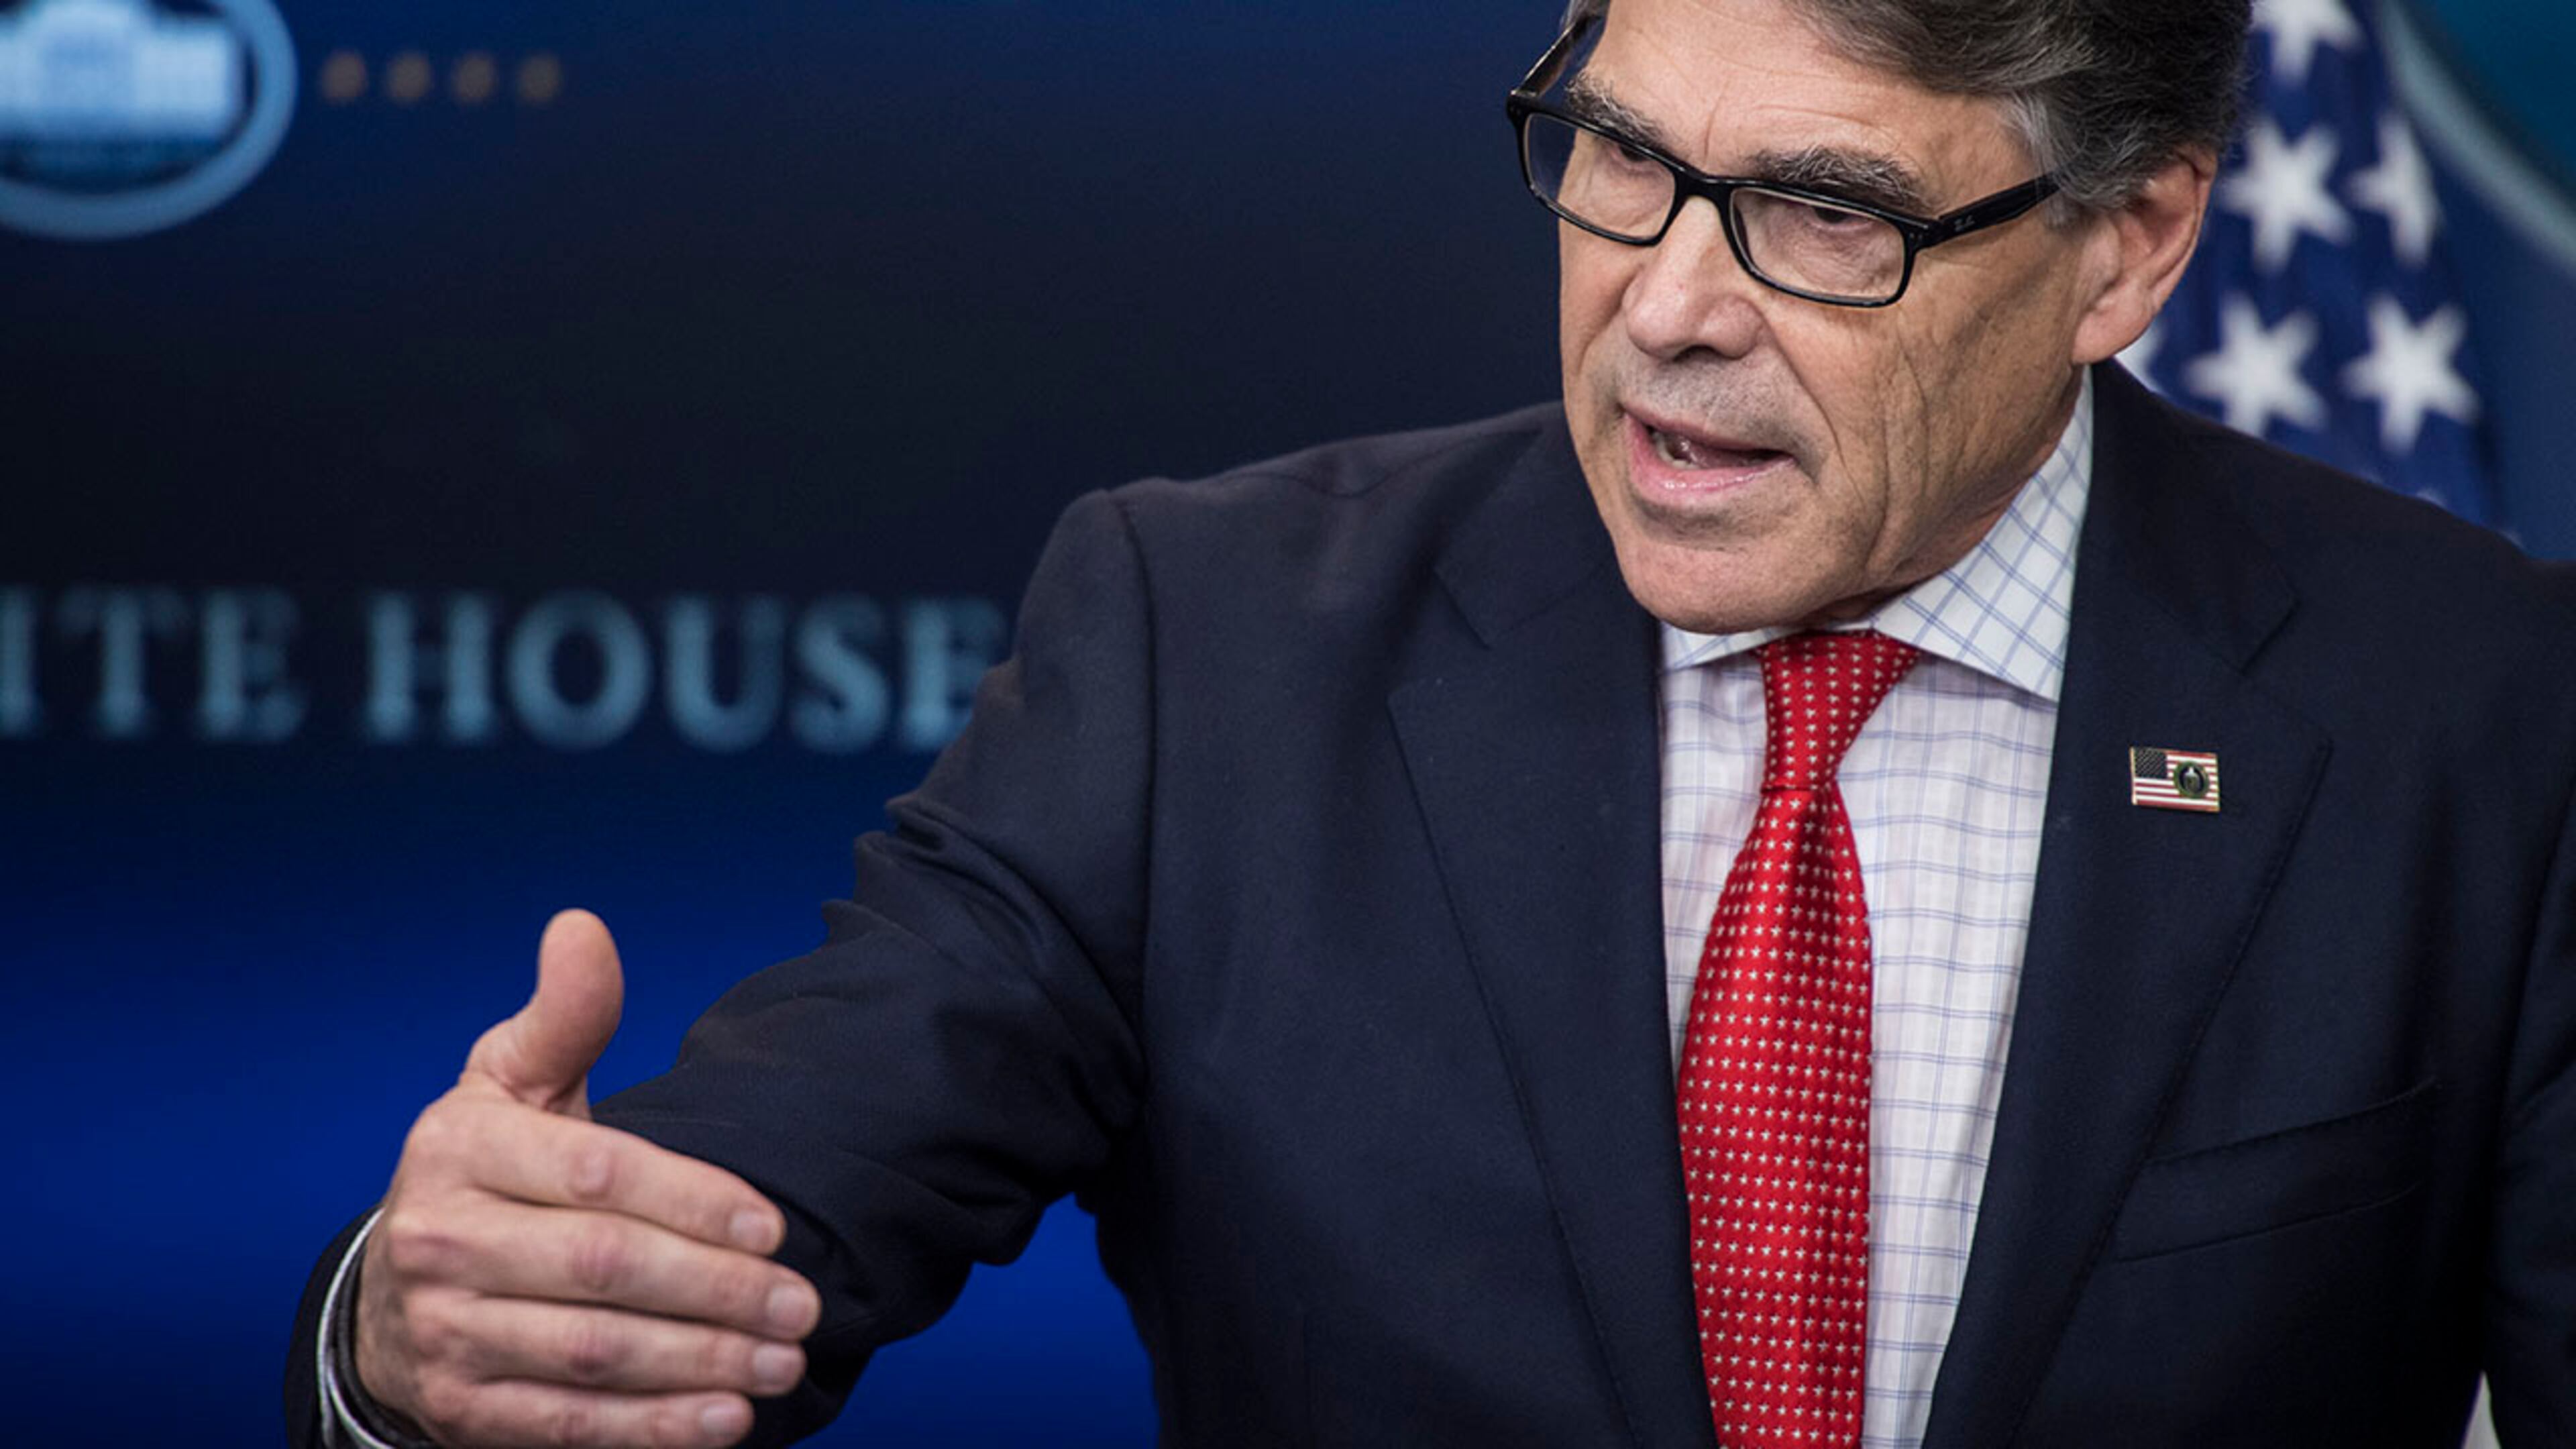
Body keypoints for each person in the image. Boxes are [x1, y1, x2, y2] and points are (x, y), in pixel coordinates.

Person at [288, 0, 2576, 1444]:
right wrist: (449, 1323)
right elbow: (728, 1234)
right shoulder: (1212, 651)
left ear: (2129, 250)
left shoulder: (2478, 719)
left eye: (1820, 215)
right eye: (1618, 158)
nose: (1667, 306)